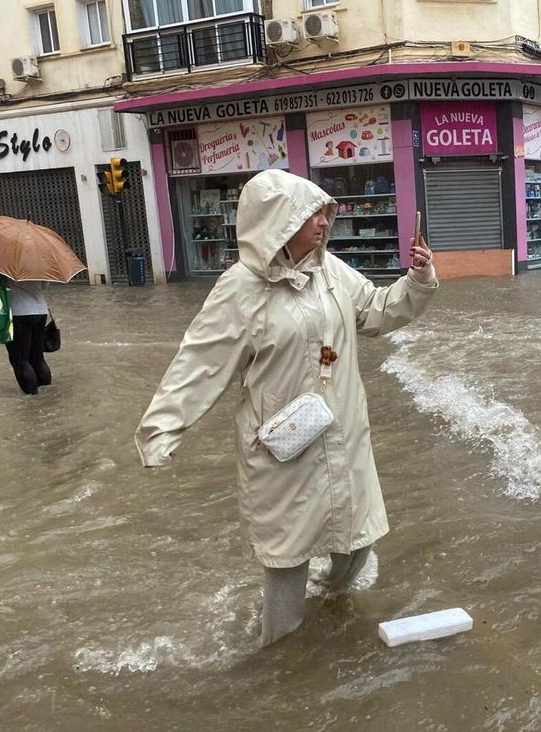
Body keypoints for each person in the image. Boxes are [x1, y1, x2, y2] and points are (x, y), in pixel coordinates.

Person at [134, 169, 438, 647]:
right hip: (283, 448)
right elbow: (200, 362)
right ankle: (278, 657)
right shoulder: (240, 289)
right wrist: (163, 429)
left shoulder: (331, 272)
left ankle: (330, 605)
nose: (322, 222)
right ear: (278, 221)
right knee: (287, 558)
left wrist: (417, 281)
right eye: (310, 214)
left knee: (357, 540)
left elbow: (375, 311)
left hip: (343, 434)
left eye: (323, 212)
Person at [0, 267, 51, 394]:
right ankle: (47, 394)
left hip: (17, 313)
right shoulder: (37, 260)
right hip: (40, 311)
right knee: (37, 356)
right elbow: (44, 285)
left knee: (20, 359)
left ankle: (32, 398)